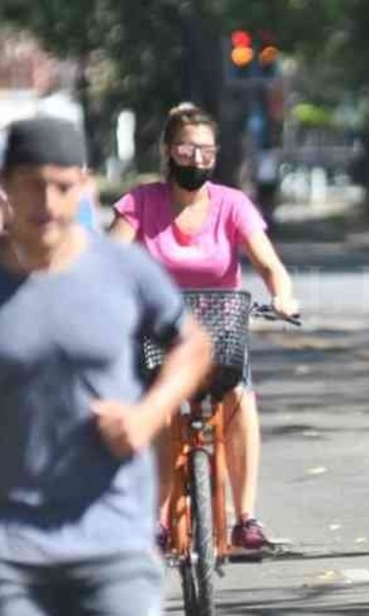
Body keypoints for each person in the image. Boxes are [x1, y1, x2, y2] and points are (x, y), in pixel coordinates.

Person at [0, 116, 214, 615]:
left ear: (83, 185)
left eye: (62, 187)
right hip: (6, 545)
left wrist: (148, 416)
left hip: (114, 538)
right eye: (31, 186)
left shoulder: (125, 270)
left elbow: (193, 345)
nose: (48, 203)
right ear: (1, 185)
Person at [109, 103, 299, 559]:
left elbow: (270, 265)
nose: (196, 160)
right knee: (158, 405)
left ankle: (245, 518)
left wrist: (284, 295)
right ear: (168, 152)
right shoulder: (140, 202)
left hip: (219, 328)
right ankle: (153, 519)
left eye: (207, 152)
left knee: (239, 400)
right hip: (158, 330)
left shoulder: (233, 204)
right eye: (187, 149)